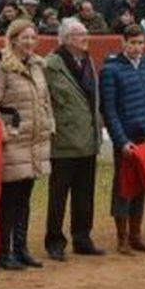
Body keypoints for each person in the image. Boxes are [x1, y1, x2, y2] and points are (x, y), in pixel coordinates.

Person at [0, 18, 55, 268]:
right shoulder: (0, 67)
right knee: (10, 200)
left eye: (33, 38)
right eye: (25, 38)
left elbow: (44, 100)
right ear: (13, 40)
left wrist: (48, 123)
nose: (30, 42)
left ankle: (21, 248)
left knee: (25, 197)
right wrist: (4, 131)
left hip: (34, 141)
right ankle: (5, 252)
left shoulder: (37, 66)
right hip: (13, 142)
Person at [44, 16, 105, 259]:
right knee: (58, 195)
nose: (85, 38)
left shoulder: (88, 61)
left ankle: (82, 237)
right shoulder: (52, 64)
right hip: (64, 139)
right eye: (80, 34)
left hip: (88, 138)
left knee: (84, 194)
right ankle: (55, 240)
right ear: (67, 39)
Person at [100, 25, 145, 253]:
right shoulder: (111, 70)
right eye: (133, 43)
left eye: (141, 43)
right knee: (123, 187)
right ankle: (122, 237)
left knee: (141, 186)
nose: (137, 47)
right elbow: (109, 110)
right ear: (123, 42)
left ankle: (136, 235)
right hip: (127, 138)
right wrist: (121, 140)